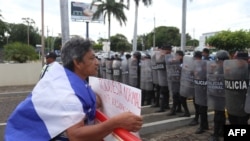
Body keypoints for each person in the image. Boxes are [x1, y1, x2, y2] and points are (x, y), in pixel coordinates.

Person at [5, 37, 143, 141]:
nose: (97, 62)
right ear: (77, 62)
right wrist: (116, 122)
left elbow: (84, 98)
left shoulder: (64, 76)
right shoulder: (66, 93)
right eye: (92, 58)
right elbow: (76, 136)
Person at [208, 50, 230, 141]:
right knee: (220, 114)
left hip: (222, 95)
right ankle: (220, 131)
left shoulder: (227, 69)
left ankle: (216, 135)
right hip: (218, 94)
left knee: (218, 115)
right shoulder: (218, 68)